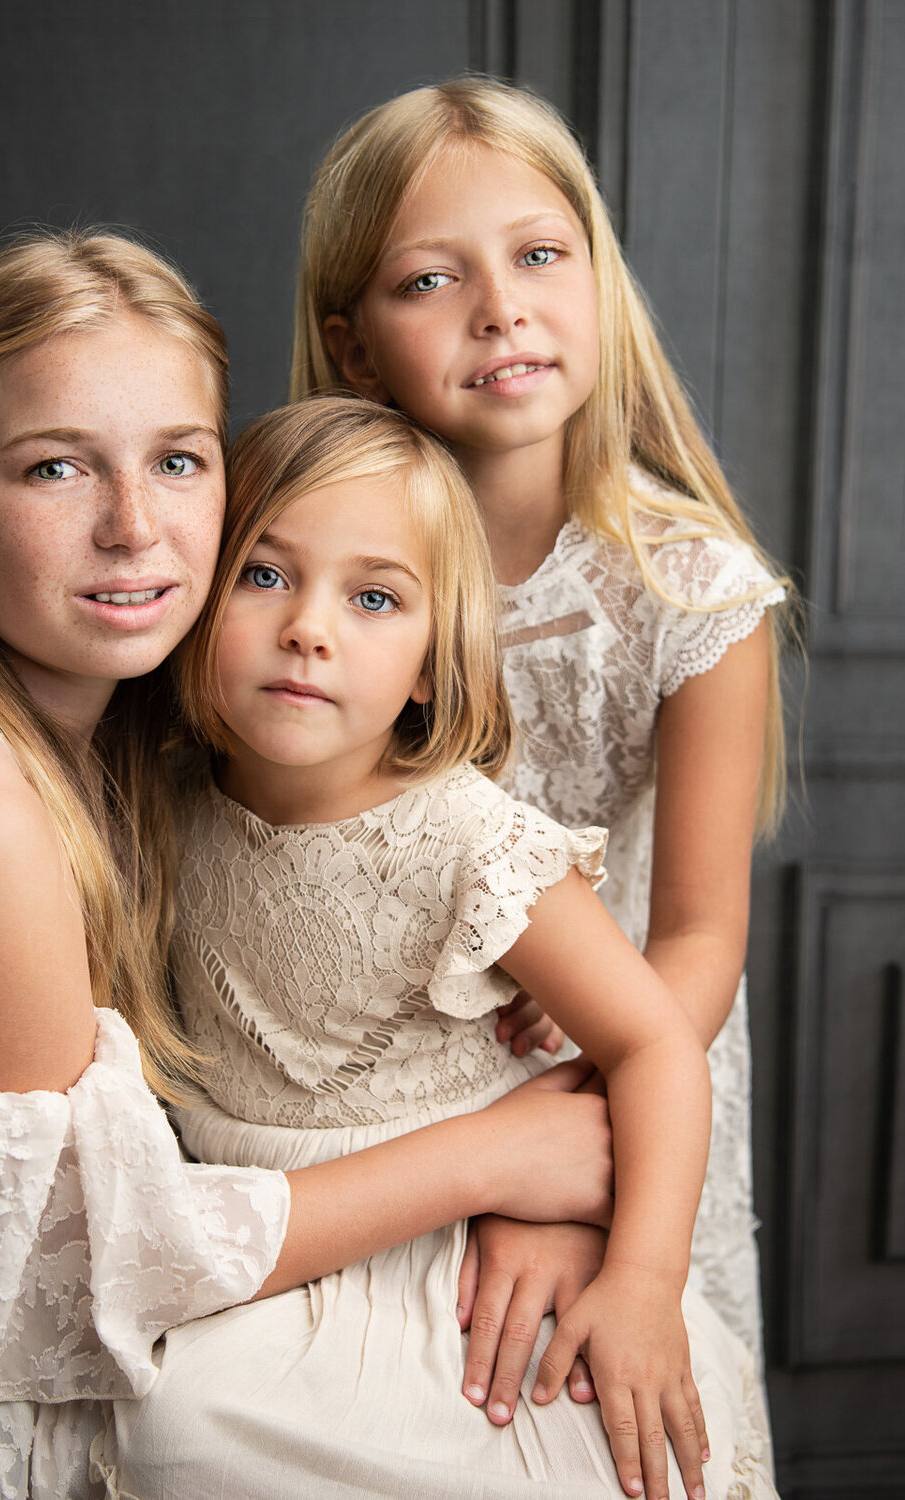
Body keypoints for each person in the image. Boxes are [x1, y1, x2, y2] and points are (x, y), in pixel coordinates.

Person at [0, 230, 616, 1500]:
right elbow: (88, 1271)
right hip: (33, 1417)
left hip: (170, 1329)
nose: (133, 530)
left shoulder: (129, 700)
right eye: (54, 469)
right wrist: (491, 1161)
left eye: (178, 462)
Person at [108, 395, 777, 1500]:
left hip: (449, 1256)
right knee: (167, 1437)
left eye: (373, 598)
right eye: (264, 575)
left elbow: (656, 1043)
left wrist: (645, 1281)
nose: (308, 628)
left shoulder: (469, 840)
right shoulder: (161, 798)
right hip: (262, 1234)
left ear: (429, 663)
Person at [290, 75, 789, 1418]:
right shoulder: (321, 561)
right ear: (351, 347)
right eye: (430, 280)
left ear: (597, 280)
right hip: (389, 1076)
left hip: (626, 1058)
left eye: (537, 256)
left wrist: (578, 1170)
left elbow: (696, 941)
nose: (499, 307)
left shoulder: (691, 594)